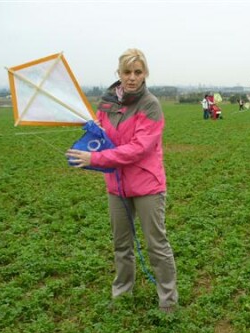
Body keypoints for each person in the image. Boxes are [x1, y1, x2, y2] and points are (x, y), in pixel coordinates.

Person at [66, 48, 178, 313]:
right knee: (121, 244)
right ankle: (122, 294)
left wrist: (95, 159)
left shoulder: (150, 104)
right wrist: (93, 129)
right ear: (118, 74)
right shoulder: (107, 103)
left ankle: (168, 302)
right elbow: (104, 135)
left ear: (145, 74)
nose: (132, 77)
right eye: (127, 72)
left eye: (138, 72)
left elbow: (139, 148)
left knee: (156, 244)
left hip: (147, 185)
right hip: (116, 185)